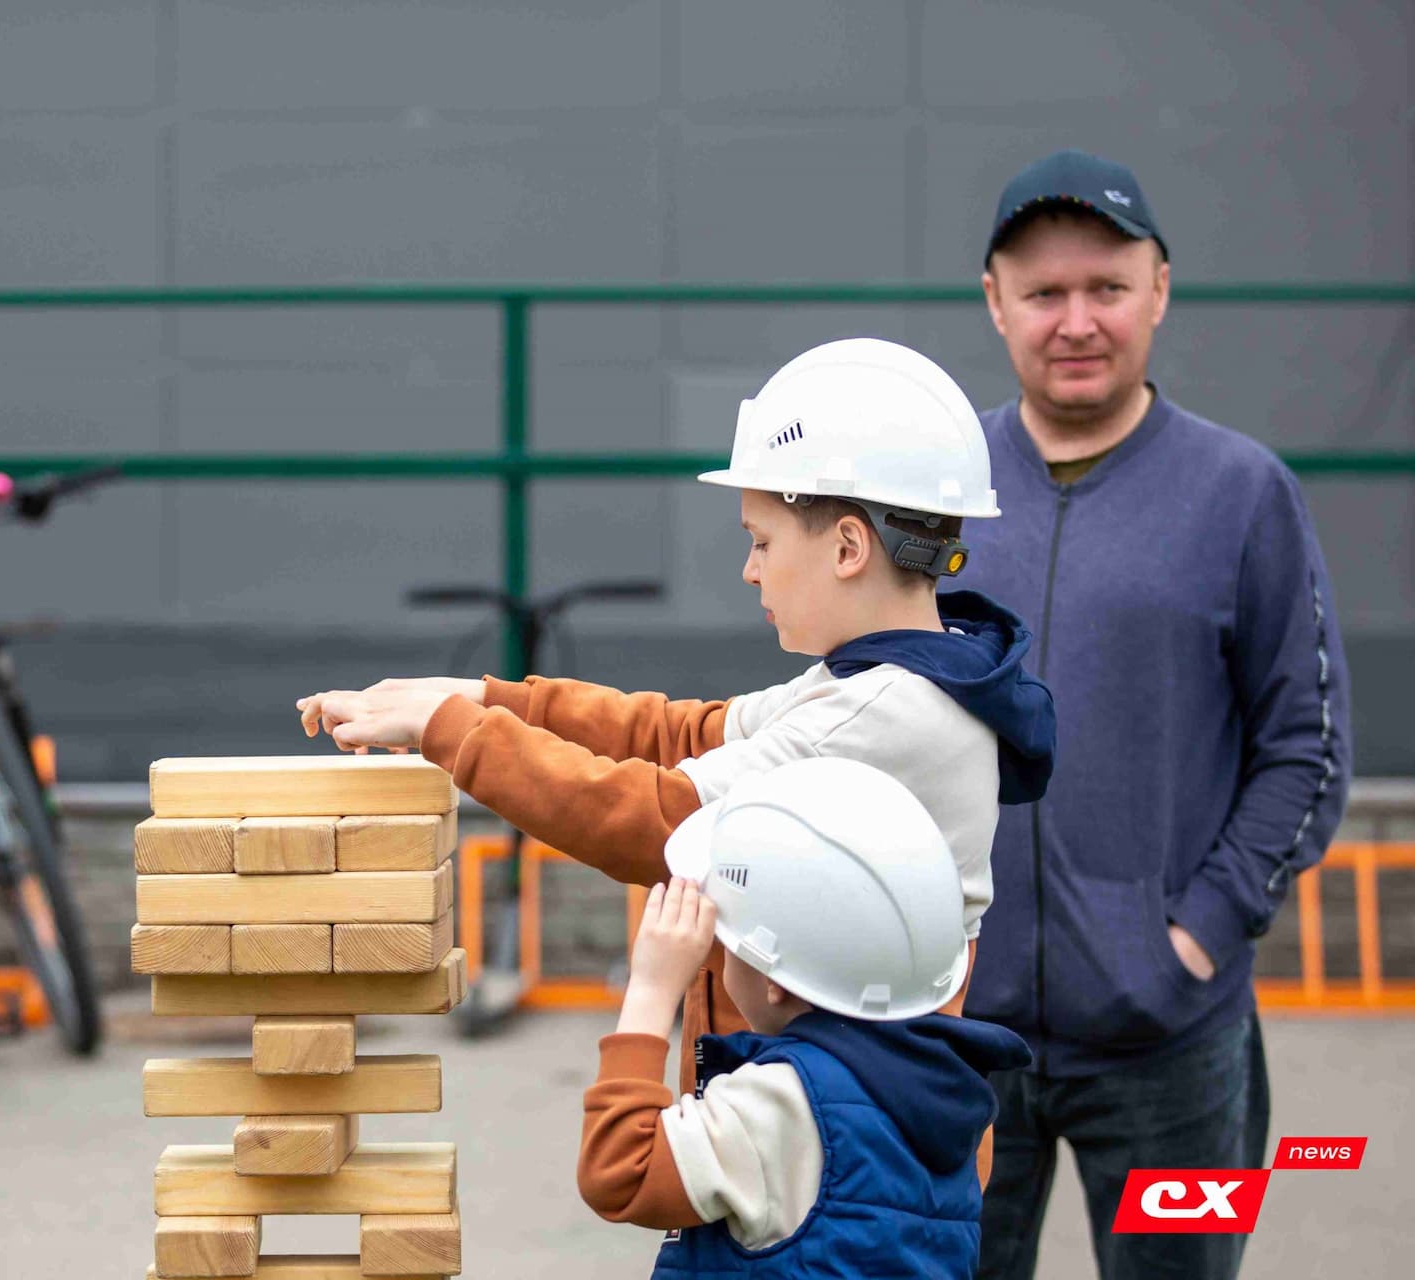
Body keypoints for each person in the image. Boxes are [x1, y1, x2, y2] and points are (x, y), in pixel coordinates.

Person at [298, 337, 1056, 1098]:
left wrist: (454, 732)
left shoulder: (877, 714)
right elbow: (686, 735)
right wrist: (485, 698)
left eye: (761, 541)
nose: (750, 568)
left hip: (832, 1141)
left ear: (850, 546)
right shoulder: (896, 677)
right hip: (830, 1111)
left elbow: (658, 818)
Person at [959, 149, 1353, 1280]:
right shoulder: (933, 492)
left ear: (1160, 289)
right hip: (956, 1044)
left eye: (1107, 287)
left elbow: (1306, 749)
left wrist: (1192, 935)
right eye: (1042, 292)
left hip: (1176, 1043)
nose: (1076, 321)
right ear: (995, 301)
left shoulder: (1243, 492)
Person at [577, 760, 1032, 1277]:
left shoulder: (780, 1105)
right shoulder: (957, 1098)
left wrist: (653, 989)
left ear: (776, 980)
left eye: (729, 945)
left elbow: (621, 1175)